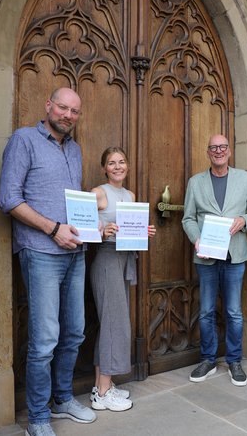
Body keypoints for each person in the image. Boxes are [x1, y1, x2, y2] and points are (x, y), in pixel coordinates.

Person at [0, 88, 96, 436]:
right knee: (44, 340)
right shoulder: (24, 139)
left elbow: (72, 202)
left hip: (76, 253)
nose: (68, 115)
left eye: (75, 111)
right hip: (40, 253)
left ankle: (63, 399)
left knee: (74, 332)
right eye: (63, 108)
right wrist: (54, 229)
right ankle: (38, 418)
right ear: (48, 106)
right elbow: (8, 198)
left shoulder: (75, 149)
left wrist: (90, 228)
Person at [182, 134, 247, 387]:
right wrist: (196, 239)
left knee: (234, 312)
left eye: (223, 147)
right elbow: (188, 218)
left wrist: (245, 221)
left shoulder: (244, 178)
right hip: (206, 256)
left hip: (235, 255)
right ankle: (208, 360)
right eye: (214, 147)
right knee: (205, 311)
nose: (219, 151)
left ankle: (234, 361)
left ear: (229, 151)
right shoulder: (196, 182)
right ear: (208, 152)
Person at [89, 147, 156, 411]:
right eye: (111, 163)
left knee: (111, 322)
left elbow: (131, 230)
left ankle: (101, 387)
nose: (118, 166)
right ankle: (104, 393)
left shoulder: (129, 195)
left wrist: (144, 232)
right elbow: (79, 222)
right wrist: (102, 230)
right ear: (104, 168)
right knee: (114, 323)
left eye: (122, 162)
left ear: (127, 166)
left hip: (124, 259)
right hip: (106, 260)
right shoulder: (98, 193)